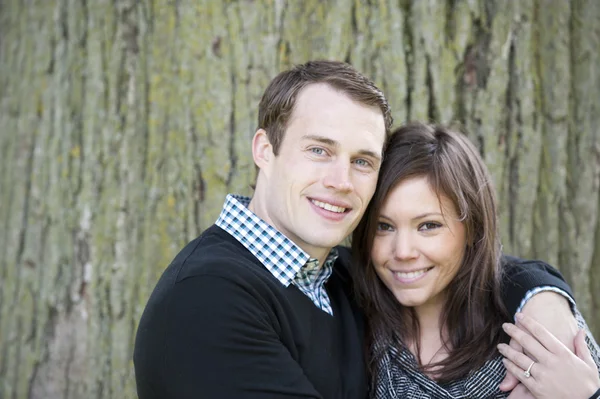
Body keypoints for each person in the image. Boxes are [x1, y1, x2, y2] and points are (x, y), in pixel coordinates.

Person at [133, 61, 582, 399]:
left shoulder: (339, 276)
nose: (341, 182)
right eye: (319, 150)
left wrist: (541, 303)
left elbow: (472, 266)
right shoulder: (205, 300)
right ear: (264, 151)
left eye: (362, 161)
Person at [351, 122, 600, 398]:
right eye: (384, 226)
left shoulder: (534, 328)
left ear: (472, 229)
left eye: (428, 226)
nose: (403, 251)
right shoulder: (351, 318)